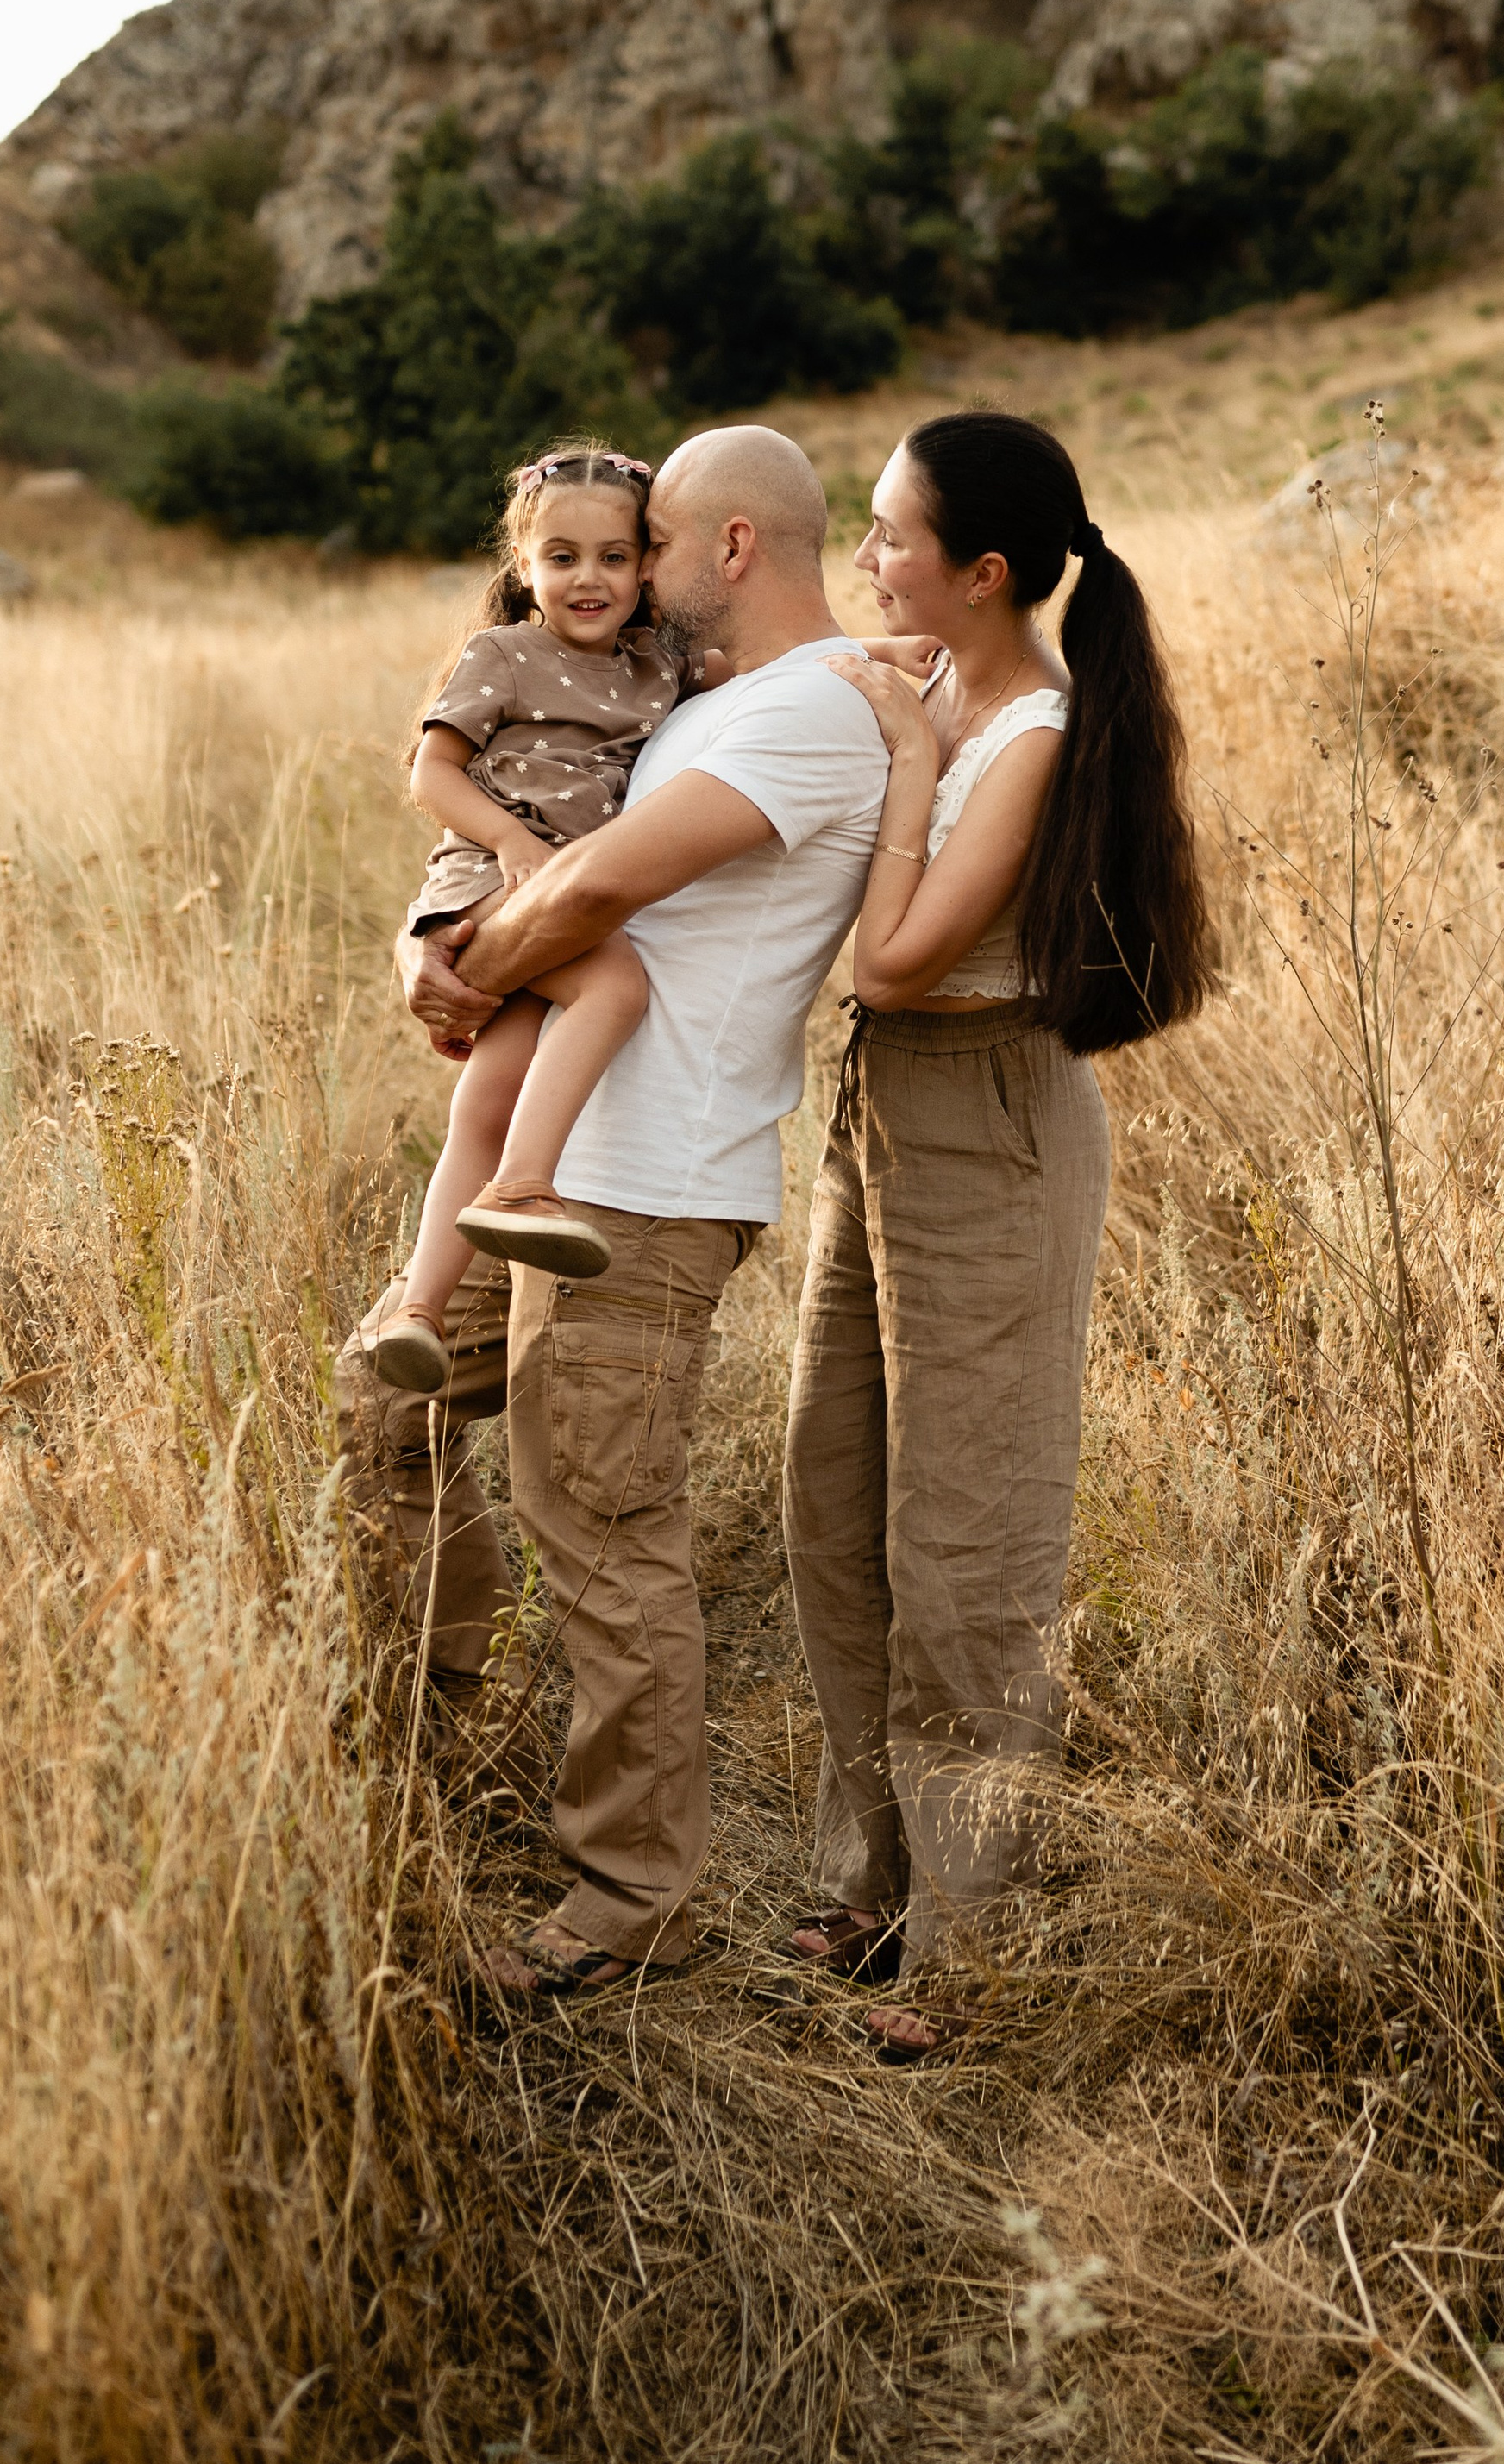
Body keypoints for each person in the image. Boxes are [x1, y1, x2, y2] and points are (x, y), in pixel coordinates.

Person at [336, 424, 896, 2003]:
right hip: (555, 1159)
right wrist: (423, 939)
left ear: (724, 548)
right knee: (385, 1419)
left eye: (645, 543)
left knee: (598, 1526)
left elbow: (587, 900)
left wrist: (459, 959)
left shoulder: (802, 716)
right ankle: (414, 1757)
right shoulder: (716, 696)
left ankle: (631, 1895)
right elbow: (517, 808)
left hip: (644, 1191)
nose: (622, 577)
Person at [780, 409, 1213, 2064]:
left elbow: (890, 958)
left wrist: (897, 761)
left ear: (981, 572)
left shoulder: (1025, 729)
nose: (866, 557)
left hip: (987, 1114)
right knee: (837, 1498)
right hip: (881, 1108)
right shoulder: (932, 679)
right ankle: (868, 1877)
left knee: (967, 1544)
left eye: (891, 536)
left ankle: (972, 1946)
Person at [355, 442, 719, 1395]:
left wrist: (880, 655)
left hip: (558, 898)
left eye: (611, 556)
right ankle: (523, 1186)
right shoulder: (504, 654)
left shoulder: (658, 664)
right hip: (489, 874)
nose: (586, 578)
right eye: (561, 557)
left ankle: (418, 1312)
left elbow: (769, 659)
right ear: (524, 568)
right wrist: (511, 845)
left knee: (490, 1091)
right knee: (613, 984)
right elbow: (430, 772)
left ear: (646, 568)